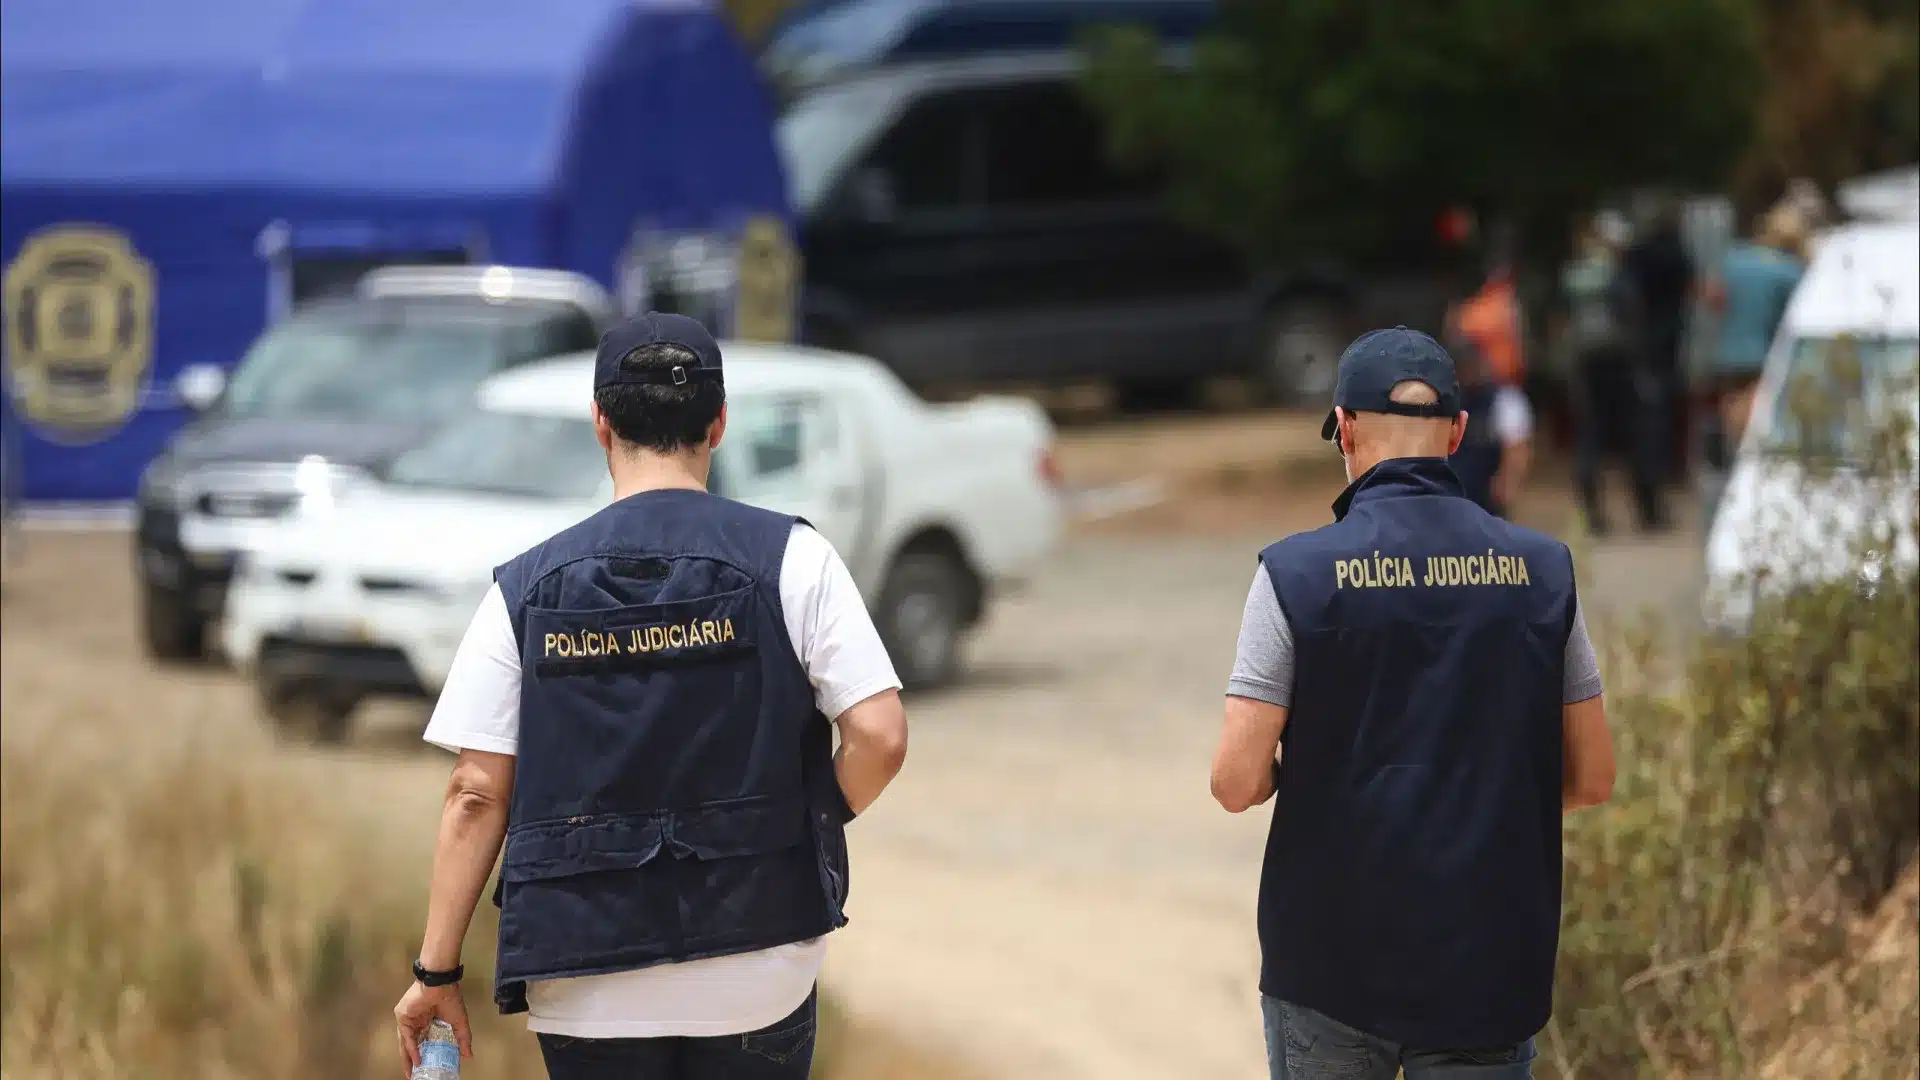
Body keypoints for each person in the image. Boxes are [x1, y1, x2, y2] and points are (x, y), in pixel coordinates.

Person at [391, 313, 910, 1080]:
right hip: (755, 966)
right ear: (720, 422)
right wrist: (811, 823)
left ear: (600, 423)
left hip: (585, 972)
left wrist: (435, 974)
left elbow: (475, 793)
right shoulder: (797, 559)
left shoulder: (524, 589)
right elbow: (880, 738)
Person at [1210, 326, 1616, 1080]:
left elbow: (1234, 781)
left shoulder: (1295, 575)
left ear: (1347, 429)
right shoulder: (1544, 573)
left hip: (1330, 970)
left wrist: (1296, 774)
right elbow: (1593, 777)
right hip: (1487, 969)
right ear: (1459, 433)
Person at [1561, 213, 1666, 534]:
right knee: (1640, 433)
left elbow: (1562, 320)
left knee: (1590, 437)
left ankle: (1592, 514)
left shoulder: (1573, 276)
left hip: (1586, 365)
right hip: (1621, 363)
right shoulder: (1618, 276)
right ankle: (1648, 511)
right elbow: (1633, 315)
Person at [1704, 201, 1809, 455]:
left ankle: (1732, 459)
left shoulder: (1733, 260)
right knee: (1758, 416)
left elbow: (1712, 297)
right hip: (1766, 355)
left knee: (1732, 410)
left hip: (1727, 352)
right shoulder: (1789, 271)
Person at [1620, 197, 1696, 483]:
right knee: (1664, 406)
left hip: (1642, 339)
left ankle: (1648, 467)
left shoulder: (1638, 253)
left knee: (1647, 406)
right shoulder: (1677, 253)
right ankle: (1665, 466)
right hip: (1669, 338)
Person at [1444, 330, 1535, 520]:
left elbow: (1517, 447)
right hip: (1447, 496)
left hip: (1488, 500)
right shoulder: (1444, 401)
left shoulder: (1504, 399)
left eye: (1471, 365)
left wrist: (1508, 482)